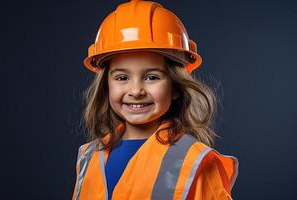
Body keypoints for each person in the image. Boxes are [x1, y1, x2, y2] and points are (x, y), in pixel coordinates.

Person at [72, 0, 239, 199]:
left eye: (152, 77)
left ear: (175, 86)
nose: (136, 90)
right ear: (106, 87)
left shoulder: (196, 162)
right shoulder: (88, 157)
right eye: (122, 78)